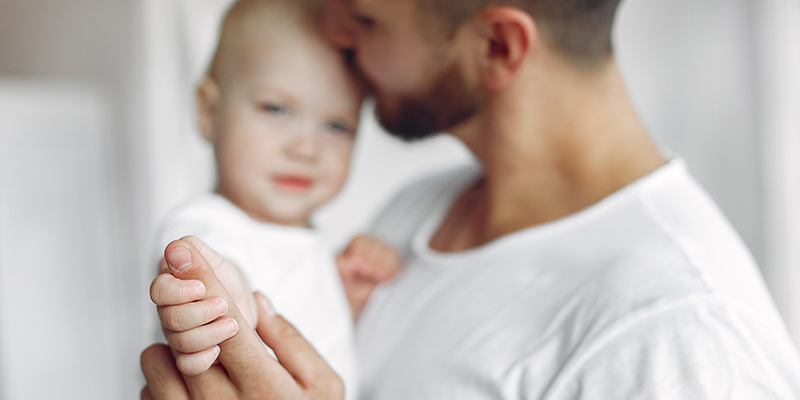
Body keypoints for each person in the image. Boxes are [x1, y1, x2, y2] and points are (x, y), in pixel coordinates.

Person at [142, 0, 800, 398]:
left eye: (367, 17)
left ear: (497, 46)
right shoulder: (415, 214)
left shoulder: (681, 338)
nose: (336, 28)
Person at [148, 0, 400, 398]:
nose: (306, 148)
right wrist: (220, 295)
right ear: (210, 111)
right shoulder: (207, 223)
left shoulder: (311, 244)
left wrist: (342, 294)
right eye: (277, 109)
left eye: (337, 125)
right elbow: (210, 266)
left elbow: (304, 325)